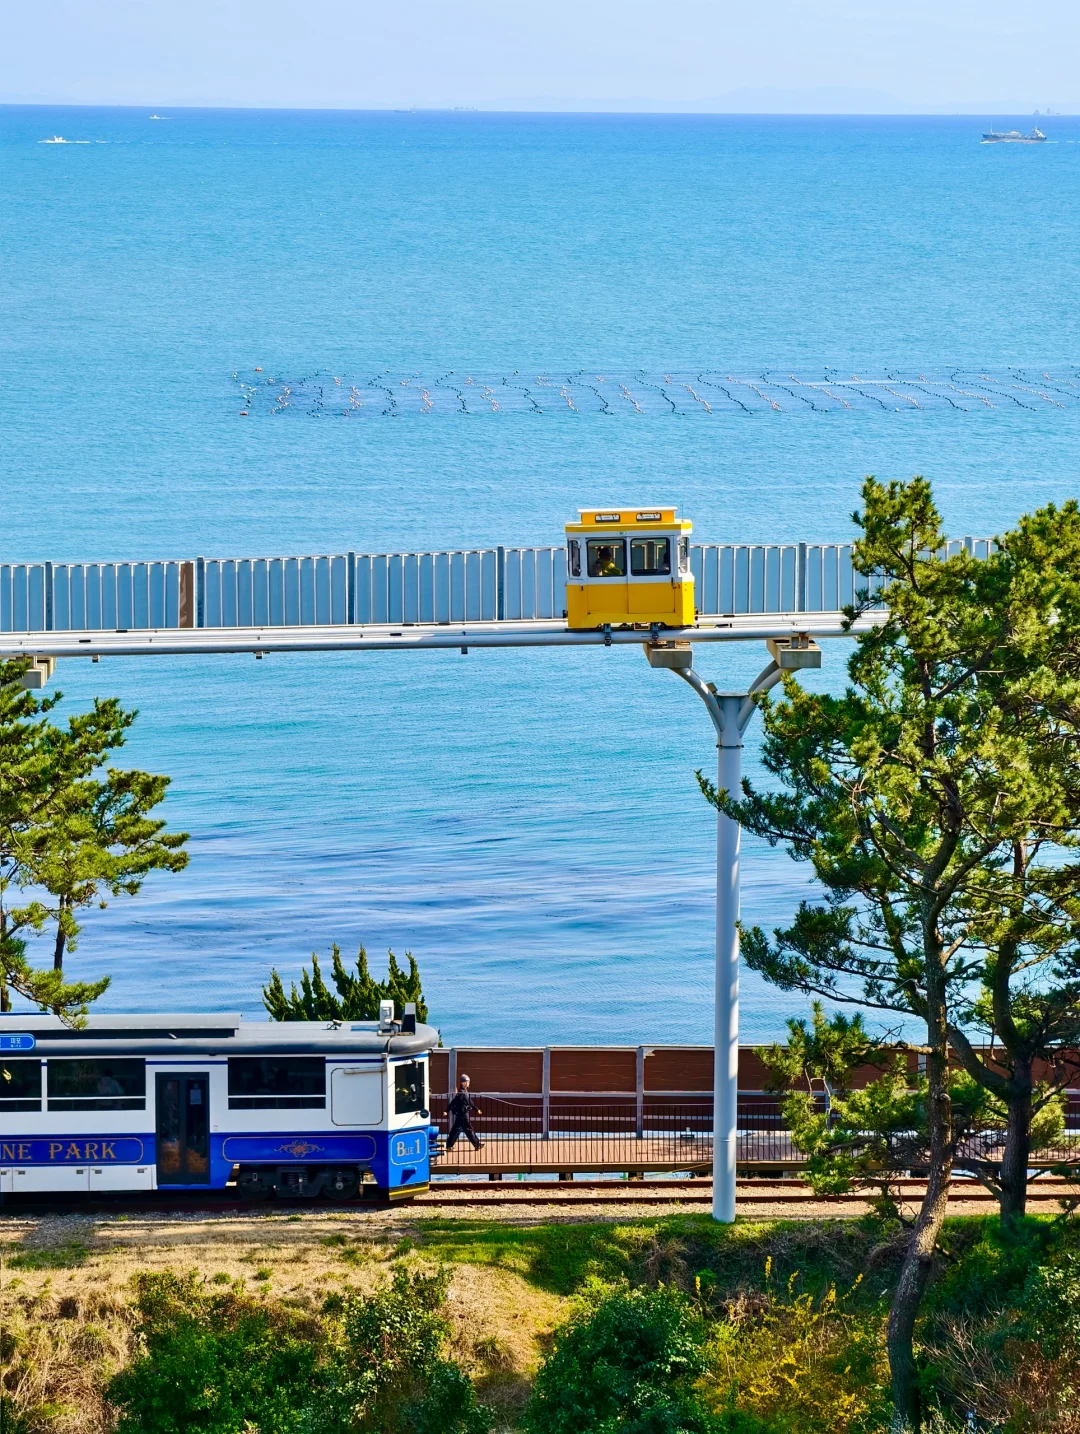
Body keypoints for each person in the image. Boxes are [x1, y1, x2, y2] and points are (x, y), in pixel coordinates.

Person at [446, 1074, 483, 1151]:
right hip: (463, 1114)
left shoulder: (465, 1092)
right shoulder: (461, 1093)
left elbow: (470, 1102)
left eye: (468, 1082)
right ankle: (477, 1144)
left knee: (456, 1130)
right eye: (466, 1082)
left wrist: (476, 1109)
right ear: (462, 1083)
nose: (468, 1083)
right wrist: (446, 1110)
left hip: (462, 1114)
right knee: (468, 1129)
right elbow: (454, 1102)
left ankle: (449, 1145)